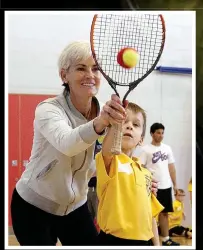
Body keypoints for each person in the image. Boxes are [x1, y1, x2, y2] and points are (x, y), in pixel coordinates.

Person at [10, 41, 129, 246]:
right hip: (33, 206)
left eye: (96, 69)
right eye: (81, 68)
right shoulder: (48, 110)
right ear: (64, 76)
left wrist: (142, 179)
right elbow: (68, 143)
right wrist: (100, 123)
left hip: (76, 208)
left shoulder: (104, 111)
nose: (90, 75)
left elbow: (111, 157)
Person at [95, 102, 164, 246]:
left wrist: (157, 244)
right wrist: (115, 122)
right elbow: (107, 150)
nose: (129, 126)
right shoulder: (111, 160)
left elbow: (150, 213)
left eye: (136, 124)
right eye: (124, 122)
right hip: (113, 240)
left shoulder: (146, 173)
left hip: (144, 241)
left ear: (141, 139)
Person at [139, 123, 180, 246]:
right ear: (152, 134)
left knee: (164, 213)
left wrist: (175, 185)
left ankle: (166, 238)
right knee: (149, 214)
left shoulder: (167, 148)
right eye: (158, 132)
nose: (161, 135)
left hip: (166, 186)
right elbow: (140, 167)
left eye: (162, 133)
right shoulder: (145, 149)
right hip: (152, 187)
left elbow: (171, 167)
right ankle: (148, 239)